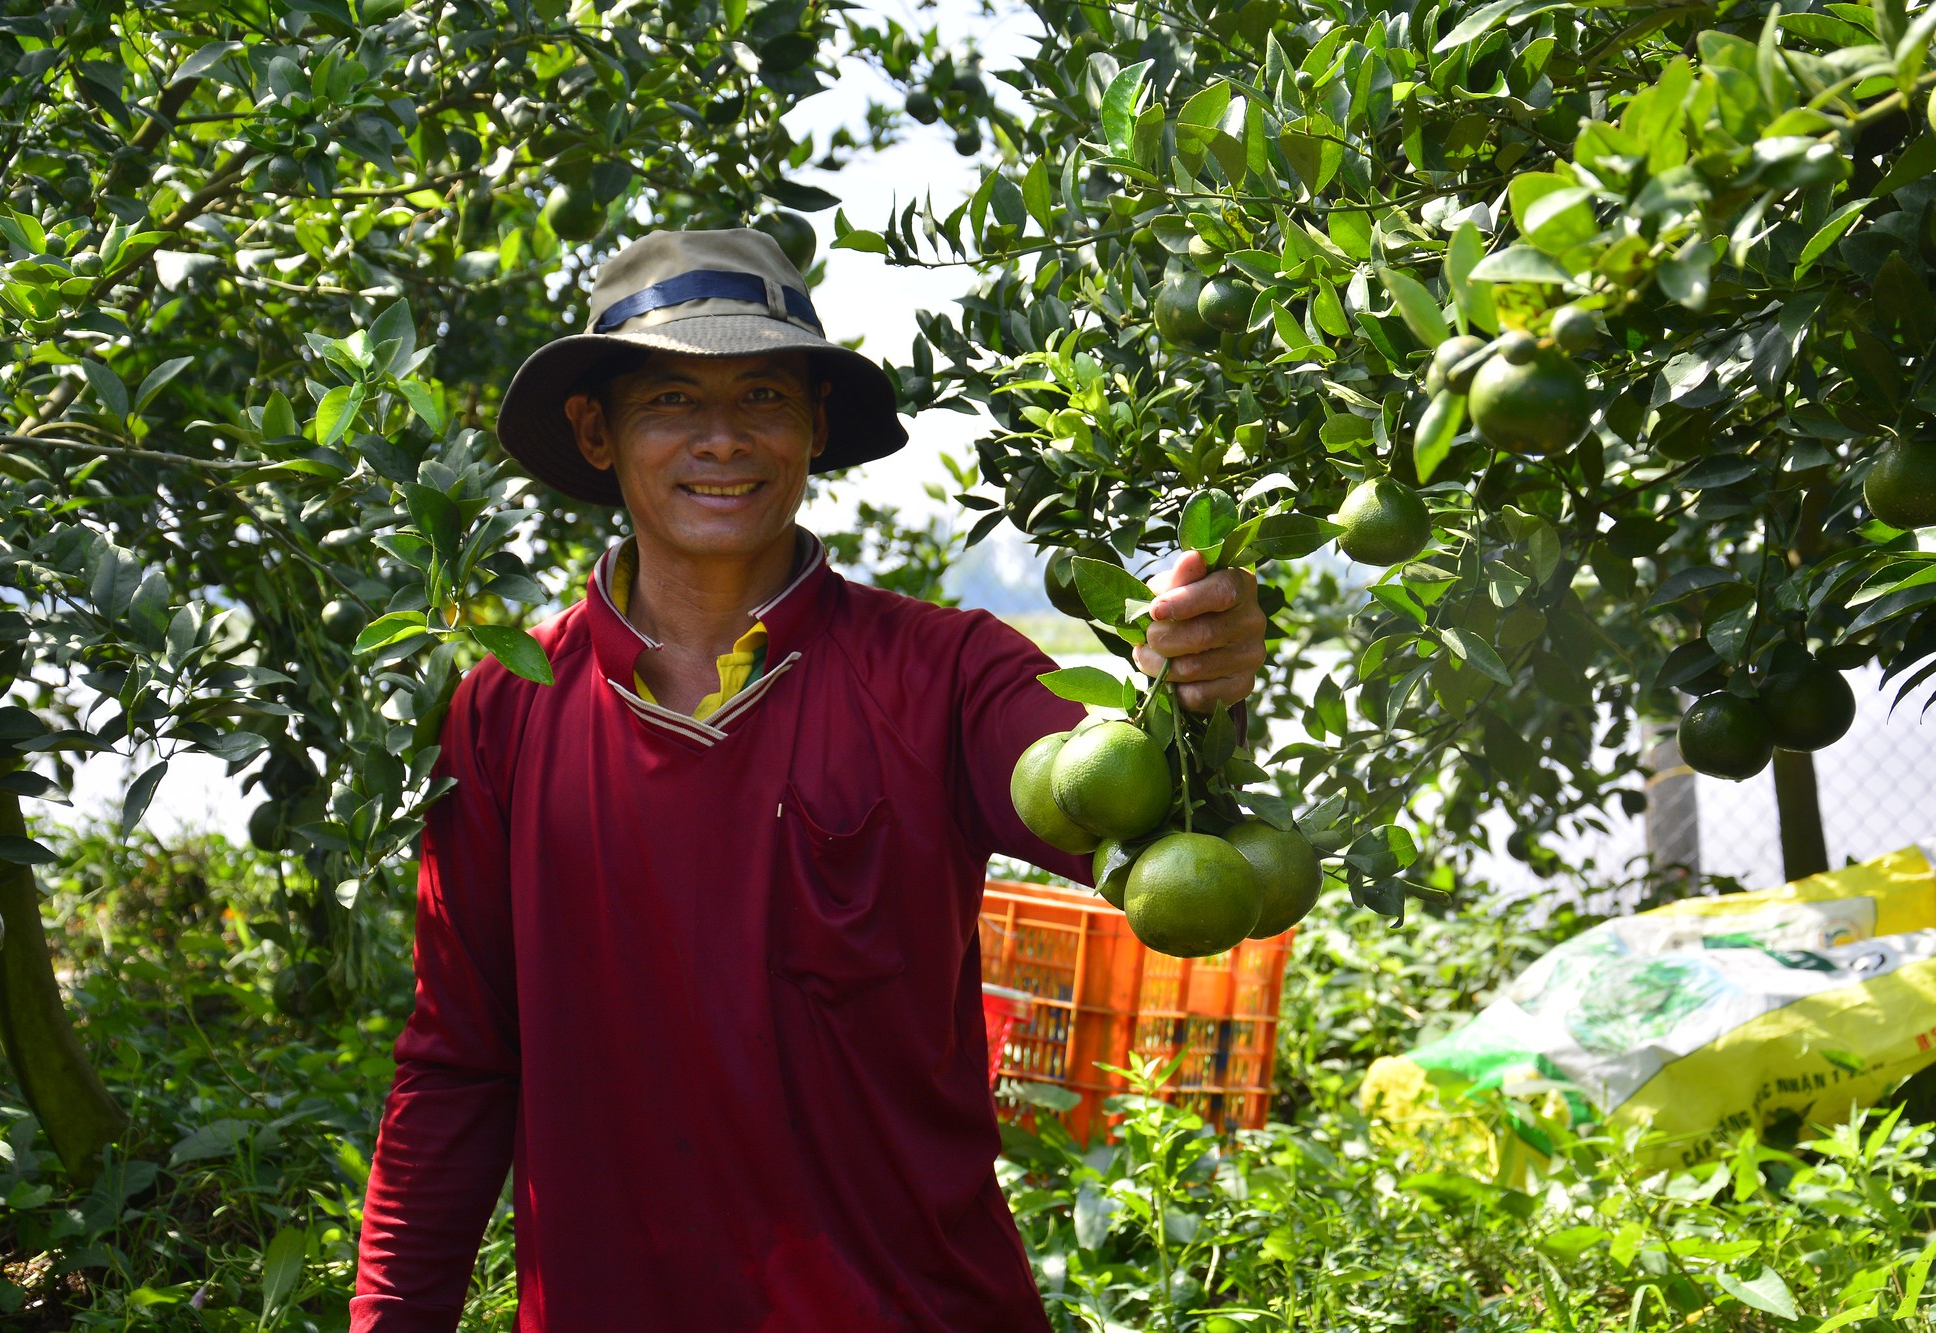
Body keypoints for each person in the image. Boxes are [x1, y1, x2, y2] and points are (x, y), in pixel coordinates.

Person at [349, 228, 1268, 1331]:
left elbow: (1121, 807)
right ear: (594, 430)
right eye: (670, 402)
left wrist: (1193, 695)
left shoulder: (945, 672)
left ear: (815, 426)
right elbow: (457, 1058)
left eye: (764, 394)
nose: (723, 439)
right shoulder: (505, 706)